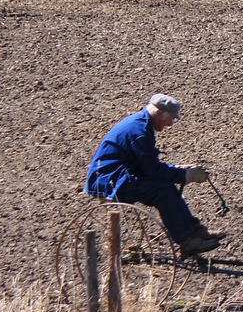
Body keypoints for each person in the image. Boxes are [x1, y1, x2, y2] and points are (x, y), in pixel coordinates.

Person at [85, 93, 225, 257]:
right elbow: (153, 170)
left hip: (119, 176)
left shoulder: (140, 124)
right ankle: (186, 241)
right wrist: (187, 175)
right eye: (171, 119)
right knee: (162, 190)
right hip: (110, 181)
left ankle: (195, 230)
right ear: (160, 113)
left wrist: (180, 169)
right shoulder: (140, 132)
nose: (171, 124)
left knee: (165, 185)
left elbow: (149, 165)